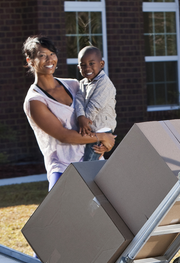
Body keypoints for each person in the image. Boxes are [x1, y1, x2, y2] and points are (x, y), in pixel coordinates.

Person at [22, 36, 114, 190]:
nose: (49, 59)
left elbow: (96, 116)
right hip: (64, 167)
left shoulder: (74, 85)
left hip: (92, 161)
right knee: (60, 212)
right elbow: (63, 135)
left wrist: (105, 141)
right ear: (29, 61)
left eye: (52, 54)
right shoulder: (35, 101)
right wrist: (102, 137)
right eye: (42, 55)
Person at [73, 46, 117, 162]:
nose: (87, 67)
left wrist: (85, 122)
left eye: (91, 63)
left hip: (102, 127)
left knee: (90, 160)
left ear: (101, 64)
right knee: (90, 157)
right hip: (90, 126)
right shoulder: (82, 83)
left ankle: (87, 179)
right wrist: (80, 117)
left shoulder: (104, 83)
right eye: (83, 65)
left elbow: (95, 106)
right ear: (78, 67)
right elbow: (78, 100)